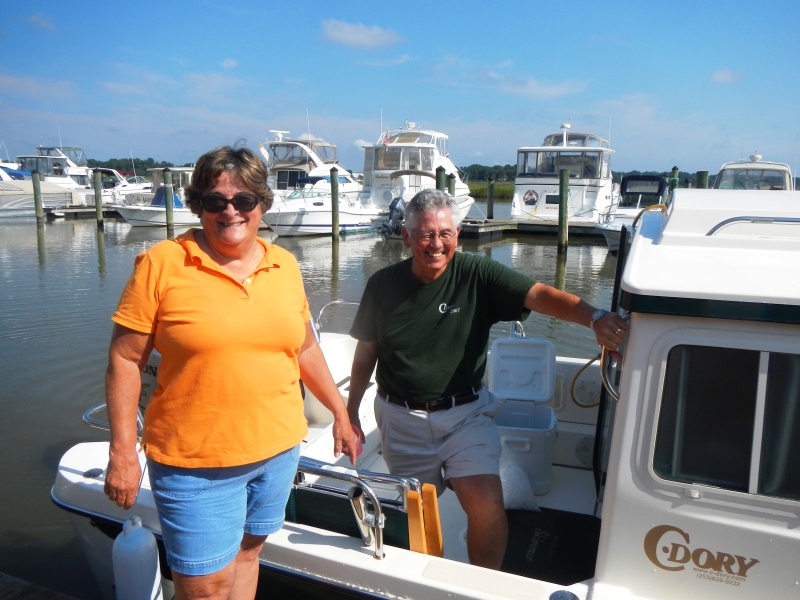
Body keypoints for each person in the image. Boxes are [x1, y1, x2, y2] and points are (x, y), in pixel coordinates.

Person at [103, 144, 357, 599]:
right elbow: (125, 359)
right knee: (205, 585)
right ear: (198, 205)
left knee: (248, 555)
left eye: (243, 200)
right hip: (195, 462)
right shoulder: (162, 263)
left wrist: (340, 413)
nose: (230, 211)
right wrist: (122, 451)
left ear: (262, 204)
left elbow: (305, 347)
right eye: (215, 201)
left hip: (277, 449)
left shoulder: (284, 265)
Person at [346, 188, 626, 570]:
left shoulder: (478, 273)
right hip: (401, 419)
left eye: (445, 233)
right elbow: (366, 352)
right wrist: (350, 412)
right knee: (420, 517)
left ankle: (484, 585)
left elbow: (540, 294)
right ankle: (428, 586)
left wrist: (594, 318)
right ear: (407, 237)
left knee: (487, 502)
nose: (436, 244)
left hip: (465, 415)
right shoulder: (382, 284)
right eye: (426, 234)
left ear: (457, 234)